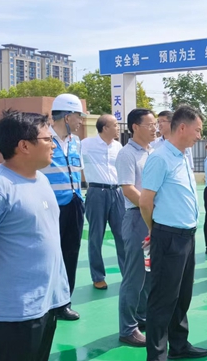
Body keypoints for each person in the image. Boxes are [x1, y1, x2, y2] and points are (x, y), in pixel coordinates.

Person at [0, 110, 69, 361]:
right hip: (15, 310)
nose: (53, 145)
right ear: (24, 146)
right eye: (47, 139)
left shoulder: (41, 180)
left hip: (46, 301)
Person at [139, 105, 207, 360]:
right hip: (168, 237)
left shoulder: (181, 156)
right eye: (197, 130)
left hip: (186, 237)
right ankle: (157, 355)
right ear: (182, 128)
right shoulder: (160, 158)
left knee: (182, 296)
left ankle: (179, 346)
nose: (199, 135)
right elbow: (145, 202)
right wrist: (154, 229)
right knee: (162, 300)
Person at [41, 93, 86, 321]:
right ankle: (47, 302)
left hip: (75, 204)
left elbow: (78, 172)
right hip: (51, 207)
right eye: (79, 116)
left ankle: (64, 302)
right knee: (49, 255)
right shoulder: (43, 138)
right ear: (67, 117)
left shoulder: (76, 141)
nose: (81, 121)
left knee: (71, 253)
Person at [116, 108, 156, 347]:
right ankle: (127, 328)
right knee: (134, 275)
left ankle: (142, 316)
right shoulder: (127, 154)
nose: (154, 128)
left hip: (152, 217)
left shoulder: (152, 152)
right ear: (135, 127)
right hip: (137, 218)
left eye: (155, 124)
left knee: (148, 273)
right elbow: (128, 189)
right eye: (150, 125)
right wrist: (149, 208)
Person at [81, 114, 125, 290]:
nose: (118, 128)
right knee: (96, 236)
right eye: (115, 125)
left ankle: (127, 273)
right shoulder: (86, 144)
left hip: (117, 192)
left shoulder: (118, 146)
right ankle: (98, 276)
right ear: (105, 128)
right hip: (96, 193)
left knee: (122, 235)